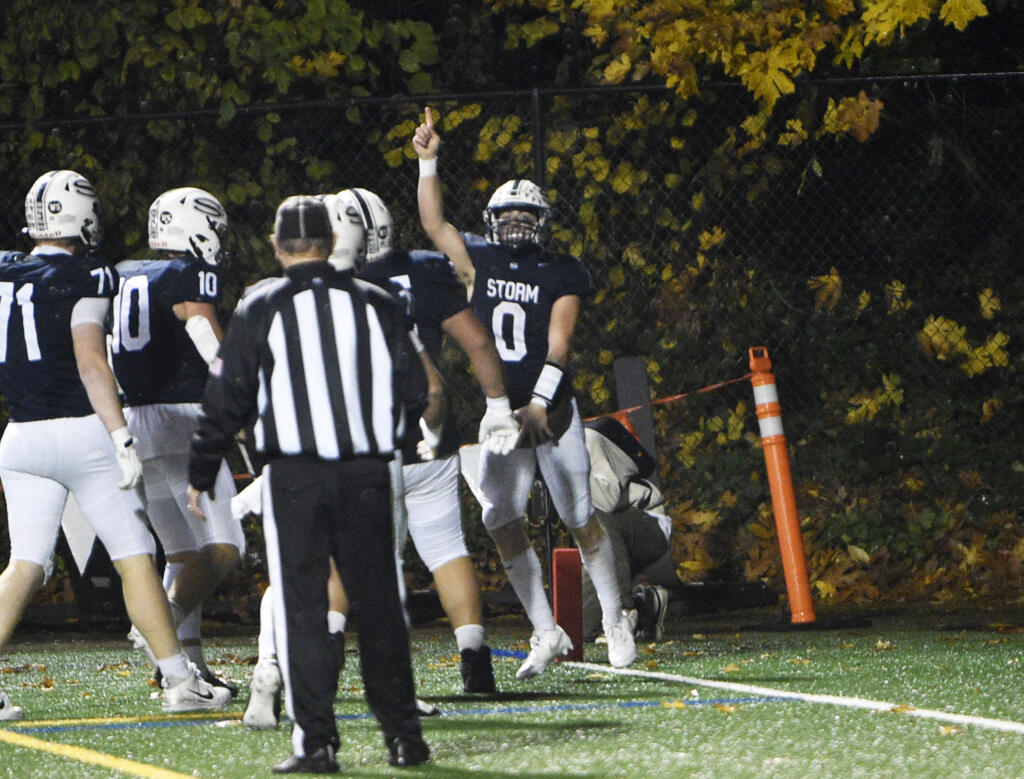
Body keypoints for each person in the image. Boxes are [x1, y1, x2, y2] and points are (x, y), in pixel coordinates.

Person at [187, 195, 429, 772]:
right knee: (379, 606)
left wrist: (202, 469)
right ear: (331, 242)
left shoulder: (261, 305)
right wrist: (386, 440)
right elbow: (415, 387)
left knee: (302, 609)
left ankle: (317, 742)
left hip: (294, 476)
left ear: (276, 247)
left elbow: (227, 395)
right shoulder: (378, 300)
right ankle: (404, 736)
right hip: (366, 471)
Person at [413, 108, 638, 679]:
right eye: (507, 215)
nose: (515, 223)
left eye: (525, 214)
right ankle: (546, 629)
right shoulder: (476, 261)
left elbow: (559, 347)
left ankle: (615, 616)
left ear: (543, 222)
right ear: (492, 221)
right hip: (498, 416)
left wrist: (540, 405)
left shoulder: (561, 270)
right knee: (499, 519)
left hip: (551, 408)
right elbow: (435, 224)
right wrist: (428, 161)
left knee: (580, 516)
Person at [0, 170, 231, 720]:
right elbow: (90, 360)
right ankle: (179, 679)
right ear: (80, 215)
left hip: (19, 436)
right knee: (135, 559)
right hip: (81, 431)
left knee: (25, 565)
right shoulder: (89, 272)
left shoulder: (5, 270)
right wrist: (119, 434)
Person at [111, 187, 244, 694]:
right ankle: (158, 624)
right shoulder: (189, 275)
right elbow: (204, 334)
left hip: (134, 420)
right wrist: (236, 389)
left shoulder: (123, 273)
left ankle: (186, 669)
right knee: (226, 546)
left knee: (184, 553)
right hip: (185, 415)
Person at [581, 417, 674, 643]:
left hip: (646, 522)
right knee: (577, 627)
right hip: (603, 535)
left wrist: (564, 480)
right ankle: (646, 604)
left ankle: (624, 614)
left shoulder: (589, 437)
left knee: (597, 521)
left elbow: (608, 499)